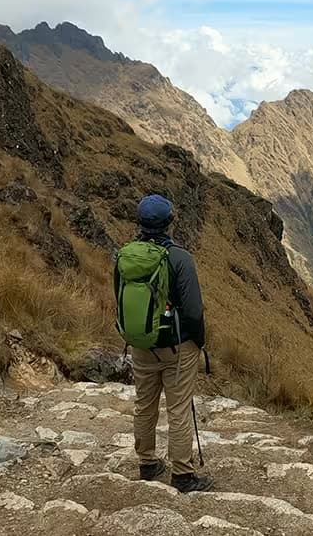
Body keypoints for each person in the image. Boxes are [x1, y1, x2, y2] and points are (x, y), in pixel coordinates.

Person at [114, 194, 211, 493]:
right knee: (179, 408)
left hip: (142, 344)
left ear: (140, 223)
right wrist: (199, 342)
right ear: (169, 223)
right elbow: (194, 309)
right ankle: (182, 474)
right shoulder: (179, 258)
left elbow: (118, 298)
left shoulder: (124, 256)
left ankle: (147, 463)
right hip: (177, 346)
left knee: (144, 404)